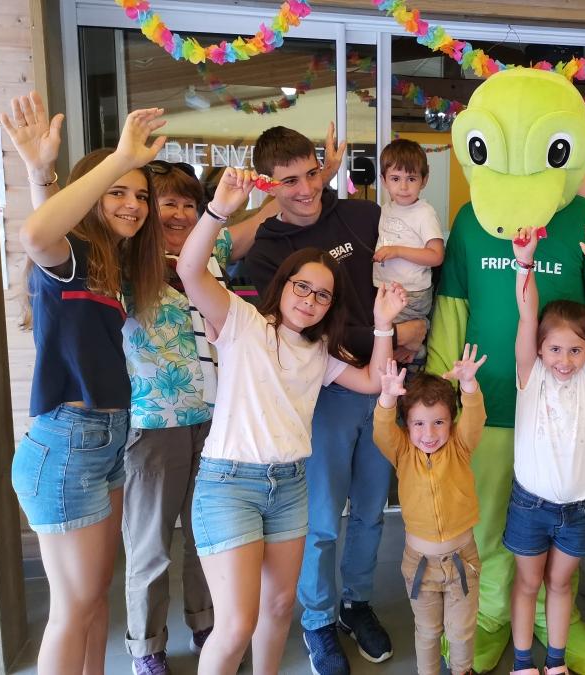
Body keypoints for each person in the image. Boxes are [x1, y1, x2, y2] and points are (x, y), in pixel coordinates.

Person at [2, 92, 347, 674]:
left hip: (195, 426)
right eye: (151, 200)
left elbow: (255, 221)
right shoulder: (119, 262)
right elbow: (52, 244)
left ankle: (206, 629)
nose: (164, 211)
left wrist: (311, 183)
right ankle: (147, 648)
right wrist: (47, 176)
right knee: (140, 554)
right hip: (136, 424)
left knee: (175, 555)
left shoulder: (137, 259)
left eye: (176, 202)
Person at [177, 166, 407, 674]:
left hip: (289, 486)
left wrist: (383, 325)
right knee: (236, 624)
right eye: (303, 287)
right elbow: (191, 271)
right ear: (282, 285)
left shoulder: (319, 352)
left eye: (323, 295)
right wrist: (217, 212)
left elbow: (374, 380)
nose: (310, 300)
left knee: (280, 608)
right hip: (230, 483)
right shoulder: (242, 322)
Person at [240, 126, 428, 675]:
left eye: (312, 174)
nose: (306, 190)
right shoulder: (266, 249)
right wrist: (387, 335)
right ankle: (318, 618)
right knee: (321, 520)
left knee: (371, 511)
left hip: (385, 385)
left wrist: (414, 326)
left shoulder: (363, 217)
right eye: (289, 181)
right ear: (268, 185)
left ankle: (356, 603)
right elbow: (294, 331)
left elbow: (413, 272)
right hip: (323, 395)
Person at [6, 106, 166, 674]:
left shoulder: (100, 263)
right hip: (67, 445)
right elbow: (38, 233)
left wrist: (41, 177)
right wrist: (116, 158)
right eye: (118, 191)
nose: (133, 205)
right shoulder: (69, 258)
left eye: (141, 196)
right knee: (72, 610)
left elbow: (53, 226)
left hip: (104, 442)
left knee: (95, 599)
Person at [506, 223, 585, 675]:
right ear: (539, 349)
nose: (565, 360)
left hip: (579, 507)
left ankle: (555, 662)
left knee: (560, 583)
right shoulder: (531, 376)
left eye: (575, 350)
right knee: (528, 583)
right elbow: (527, 316)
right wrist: (524, 264)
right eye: (555, 349)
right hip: (530, 505)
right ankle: (522, 663)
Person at [372, 345, 488, 675]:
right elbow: (382, 431)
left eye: (439, 422)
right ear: (407, 426)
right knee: (427, 632)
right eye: (419, 424)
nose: (429, 433)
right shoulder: (402, 452)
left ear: (451, 422)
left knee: (461, 631)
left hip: (462, 561)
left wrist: (469, 385)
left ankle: (463, 670)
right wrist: (387, 399)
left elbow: (475, 417)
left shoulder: (460, 446)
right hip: (419, 565)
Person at [372, 139, 445, 363]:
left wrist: (397, 251)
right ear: (383, 180)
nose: (403, 187)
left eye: (411, 179)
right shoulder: (386, 209)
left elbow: (436, 256)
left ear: (424, 180)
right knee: (387, 342)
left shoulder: (424, 213)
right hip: (386, 288)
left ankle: (417, 354)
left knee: (393, 347)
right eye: (395, 179)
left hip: (411, 292)